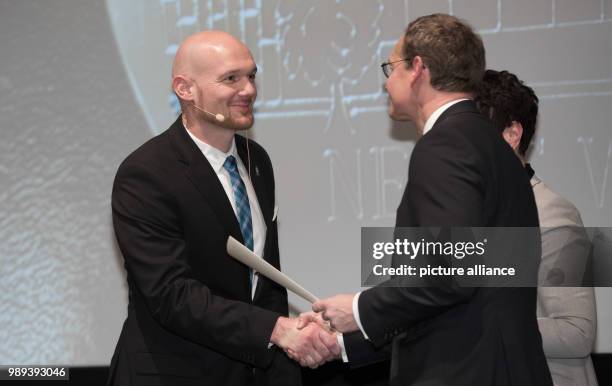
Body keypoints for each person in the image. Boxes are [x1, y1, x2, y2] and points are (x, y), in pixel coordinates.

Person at [308, 14, 553, 385]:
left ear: (418, 69)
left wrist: (358, 309)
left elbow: (450, 275)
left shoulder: (446, 144)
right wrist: (348, 341)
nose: (387, 82)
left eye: (391, 67)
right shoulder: (495, 148)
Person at [107, 31, 338, 386]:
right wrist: (276, 330)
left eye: (251, 76)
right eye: (231, 78)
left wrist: (292, 330)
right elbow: (171, 295)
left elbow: (264, 277)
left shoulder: (257, 160)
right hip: (178, 374)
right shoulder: (146, 173)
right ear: (185, 88)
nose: (248, 90)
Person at [475, 69, 598, 386]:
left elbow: (576, 332)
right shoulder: (473, 214)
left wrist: (471, 324)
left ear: (512, 134)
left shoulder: (554, 215)